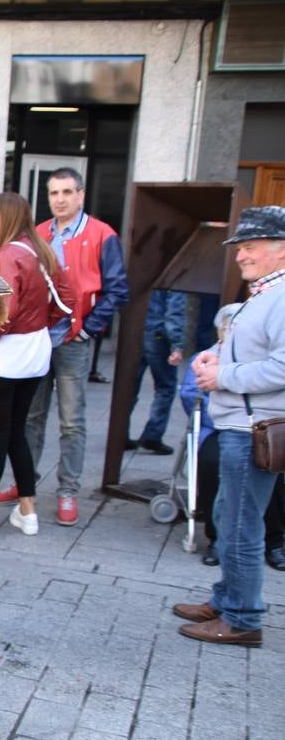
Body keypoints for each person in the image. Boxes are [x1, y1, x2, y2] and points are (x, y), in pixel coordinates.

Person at [174, 207, 285, 647]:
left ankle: (242, 618)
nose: (242, 254)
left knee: (240, 526)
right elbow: (253, 355)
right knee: (228, 515)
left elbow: (281, 368)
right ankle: (227, 600)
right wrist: (215, 359)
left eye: (252, 246)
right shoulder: (264, 293)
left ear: (281, 249)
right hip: (241, 423)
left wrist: (224, 377)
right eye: (241, 246)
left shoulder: (279, 298)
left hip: (253, 427)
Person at [14, 167, 129, 526]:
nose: (60, 199)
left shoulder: (101, 234)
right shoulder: (39, 233)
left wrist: (88, 330)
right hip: (38, 340)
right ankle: (25, 489)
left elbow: (117, 289)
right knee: (30, 417)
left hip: (72, 341)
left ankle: (67, 491)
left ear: (80, 194)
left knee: (71, 421)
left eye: (67, 192)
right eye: (53, 193)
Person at [180, 303, 285, 571]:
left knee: (271, 467)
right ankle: (217, 539)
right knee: (212, 460)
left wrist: (228, 380)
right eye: (226, 328)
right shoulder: (212, 354)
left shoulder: (263, 353)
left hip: (262, 425)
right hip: (218, 427)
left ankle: (275, 540)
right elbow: (191, 396)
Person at [0, 192, 58, 538]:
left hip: (9, 354)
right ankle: (28, 509)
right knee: (16, 432)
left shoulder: (9, 253)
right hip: (36, 350)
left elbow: (6, 312)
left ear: (5, 217)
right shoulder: (40, 249)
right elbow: (67, 299)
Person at [126, 288, 184, 454]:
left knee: (129, 387)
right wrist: (176, 344)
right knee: (165, 388)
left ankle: (121, 432)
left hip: (136, 329)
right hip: (158, 334)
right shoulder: (175, 274)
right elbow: (175, 310)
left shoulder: (144, 267)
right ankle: (152, 435)